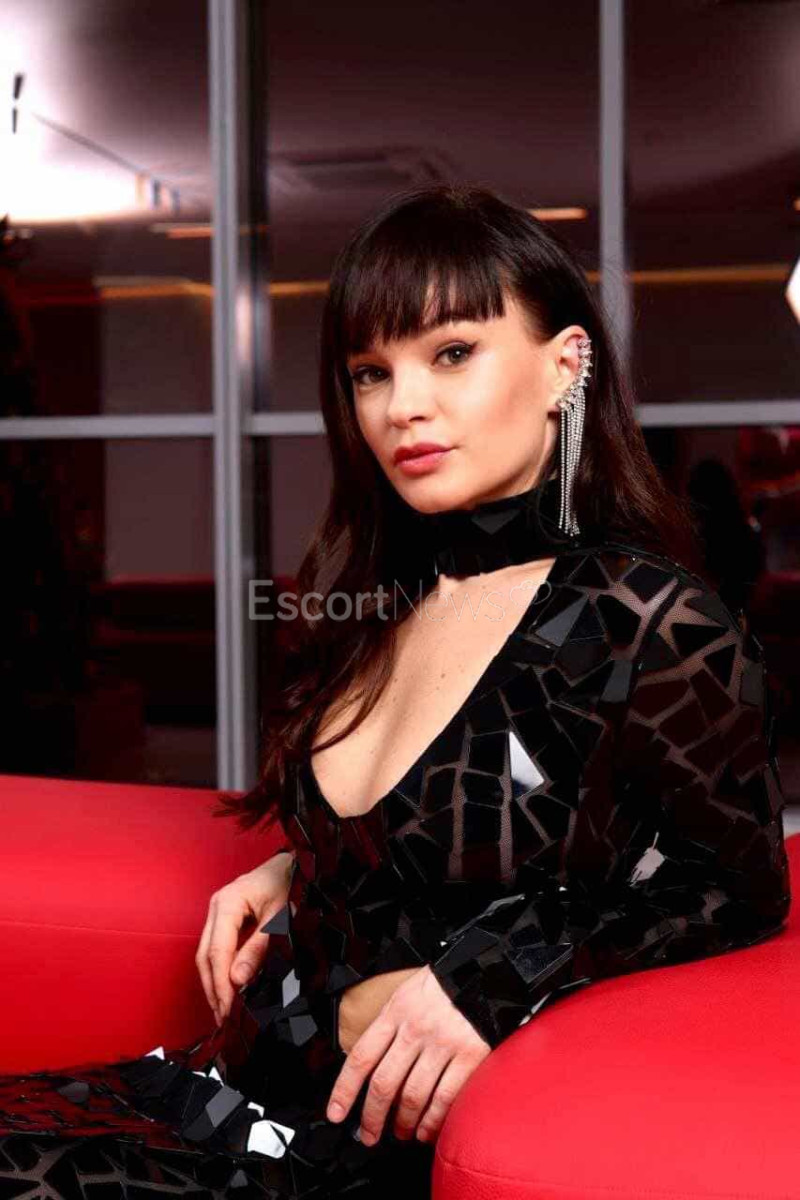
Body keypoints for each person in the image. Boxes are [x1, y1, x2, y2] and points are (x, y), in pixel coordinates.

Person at [0, 184, 791, 1199]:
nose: (400, 406)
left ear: (565, 364)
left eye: (451, 353)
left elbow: (734, 890)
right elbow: (440, 832)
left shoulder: (644, 618)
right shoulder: (374, 599)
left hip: (332, 1157)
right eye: (370, 372)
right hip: (213, 1089)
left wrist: (498, 973)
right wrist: (304, 861)